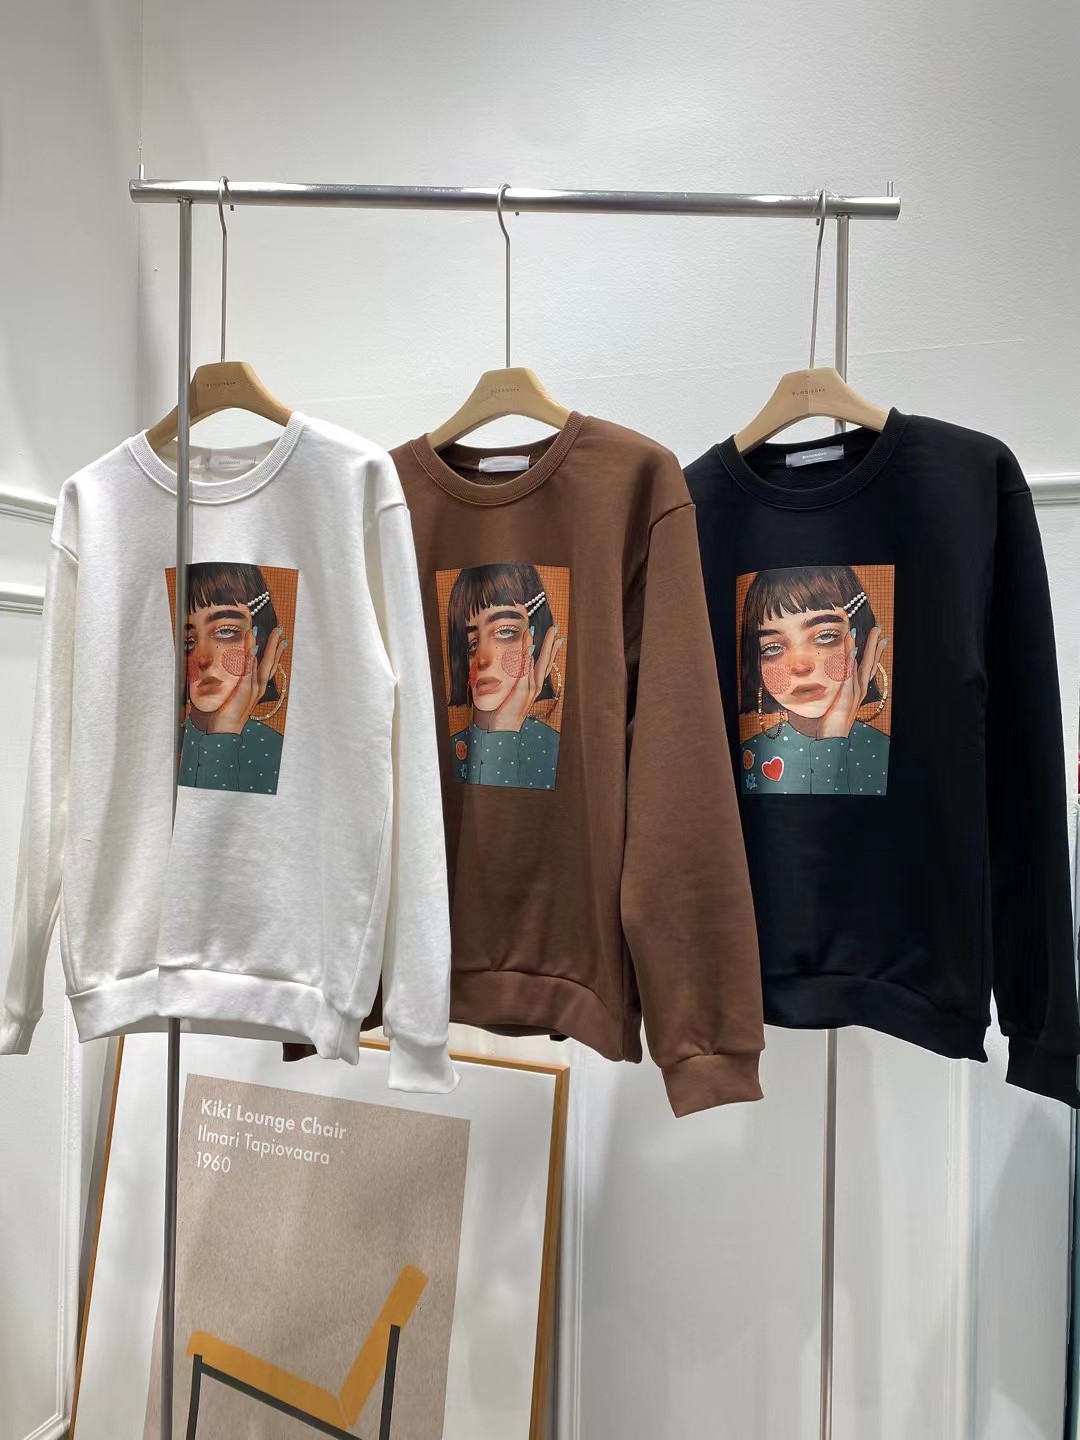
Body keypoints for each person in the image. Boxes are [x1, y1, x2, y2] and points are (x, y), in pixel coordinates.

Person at [738, 564, 889, 796]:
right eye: (772, 648)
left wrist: (833, 738)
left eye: (826, 636)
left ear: (861, 643)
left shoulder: (883, 752)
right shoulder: (750, 756)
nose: (800, 666)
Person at [445, 563, 565, 789]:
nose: (482, 659)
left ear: (537, 640)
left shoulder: (555, 750)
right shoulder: (443, 751)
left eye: (505, 631)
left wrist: (505, 726)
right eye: (471, 644)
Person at [179, 562, 288, 794]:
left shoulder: (276, 752)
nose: (202, 659)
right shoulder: (159, 741)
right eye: (188, 642)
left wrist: (225, 730)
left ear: (261, 642)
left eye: (226, 631)